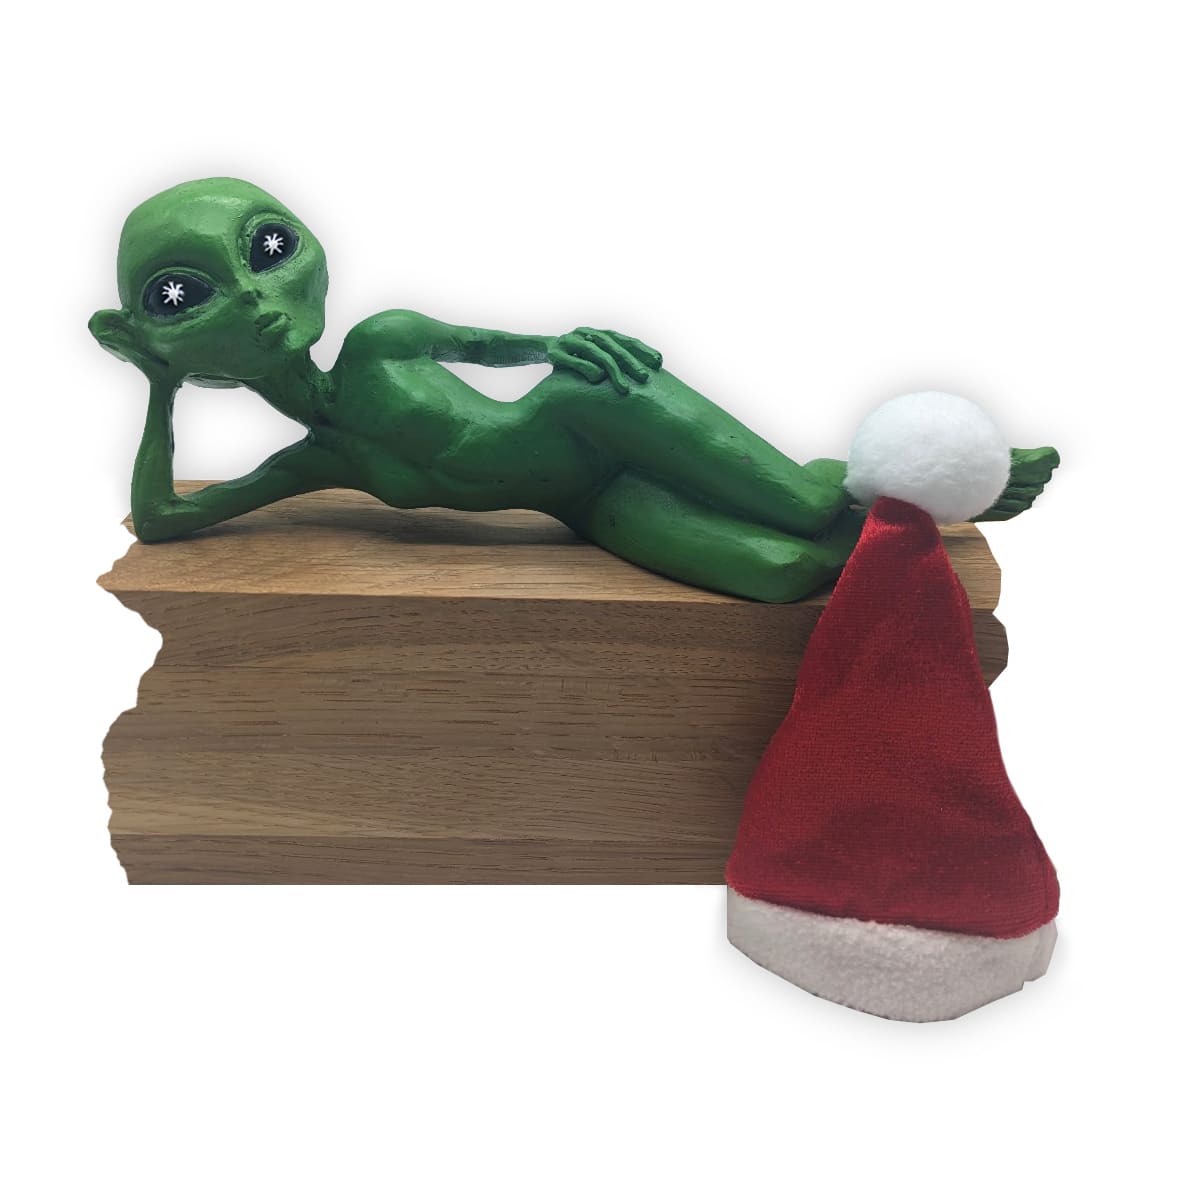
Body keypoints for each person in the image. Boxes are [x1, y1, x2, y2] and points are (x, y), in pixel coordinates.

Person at [90, 178, 1057, 602]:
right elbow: (164, 522)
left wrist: (568, 341)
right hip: (587, 504)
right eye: (185, 294)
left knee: (803, 505)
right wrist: (157, 385)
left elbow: (512, 346)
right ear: (143, 330)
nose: (255, 300)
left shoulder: (384, 343)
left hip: (587, 410)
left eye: (268, 247)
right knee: (782, 573)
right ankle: (899, 528)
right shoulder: (317, 461)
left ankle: (949, 472)